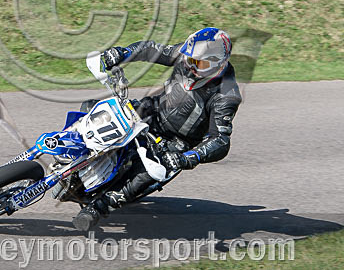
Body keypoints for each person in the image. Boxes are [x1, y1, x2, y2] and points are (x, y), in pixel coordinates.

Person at [73, 28, 242, 232]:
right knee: (92, 107)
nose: (190, 66)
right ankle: (71, 154)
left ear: (218, 64)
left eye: (199, 64)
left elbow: (221, 141)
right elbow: (150, 49)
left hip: (177, 141)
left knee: (150, 172)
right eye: (189, 60)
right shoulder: (188, 55)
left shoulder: (226, 95)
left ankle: (98, 207)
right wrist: (121, 53)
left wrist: (187, 158)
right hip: (151, 110)